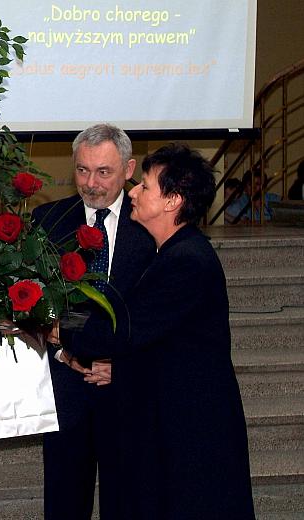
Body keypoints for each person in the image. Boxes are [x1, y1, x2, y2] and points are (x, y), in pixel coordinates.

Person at [58, 143, 255, 519]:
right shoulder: (172, 252)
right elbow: (160, 343)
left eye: (145, 186)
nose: (133, 191)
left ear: (172, 201)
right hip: (174, 425)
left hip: (191, 433)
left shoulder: (186, 261)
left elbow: (124, 330)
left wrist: (56, 327)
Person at [31, 124, 155, 520]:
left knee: (129, 501)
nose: (90, 183)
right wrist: (69, 352)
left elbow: (155, 314)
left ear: (128, 169)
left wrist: (121, 364)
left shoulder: (151, 229)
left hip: (129, 390)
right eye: (82, 170)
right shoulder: (48, 221)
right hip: (67, 387)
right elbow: (32, 301)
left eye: (103, 172)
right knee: (65, 502)